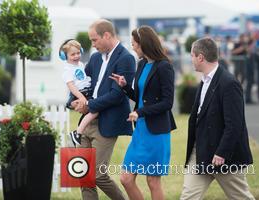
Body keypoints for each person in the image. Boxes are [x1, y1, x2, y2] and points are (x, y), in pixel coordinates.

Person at [180, 37, 254, 200]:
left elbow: (235, 124)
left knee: (241, 197)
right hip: (201, 151)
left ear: (200, 57)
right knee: (188, 197)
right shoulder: (204, 80)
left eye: (192, 55)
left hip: (223, 156)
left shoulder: (229, 83)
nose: (191, 59)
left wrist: (222, 152)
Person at [110, 26, 176, 200]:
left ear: (144, 44)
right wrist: (125, 86)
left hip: (156, 132)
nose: (133, 47)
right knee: (126, 179)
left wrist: (140, 112)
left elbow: (167, 103)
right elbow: (140, 97)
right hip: (140, 130)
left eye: (134, 44)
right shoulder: (141, 64)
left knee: (153, 182)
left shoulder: (164, 67)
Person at [72, 19, 136, 200]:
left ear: (106, 35)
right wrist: (74, 100)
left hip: (107, 124)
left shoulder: (126, 59)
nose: (92, 44)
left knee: (98, 175)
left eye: (94, 40)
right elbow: (83, 84)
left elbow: (117, 95)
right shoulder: (94, 57)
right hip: (87, 122)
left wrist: (89, 105)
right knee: (83, 173)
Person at [59, 39, 97, 146]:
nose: (76, 56)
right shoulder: (67, 70)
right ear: (64, 56)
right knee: (95, 109)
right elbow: (72, 86)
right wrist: (81, 97)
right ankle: (77, 133)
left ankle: (78, 133)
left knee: (94, 110)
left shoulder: (80, 64)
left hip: (87, 91)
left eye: (78, 53)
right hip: (81, 93)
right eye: (72, 54)